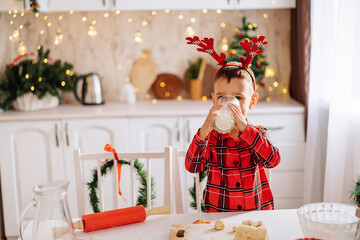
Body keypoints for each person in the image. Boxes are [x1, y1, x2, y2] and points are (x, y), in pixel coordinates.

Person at [185, 35, 281, 212]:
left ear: (252, 102)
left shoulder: (259, 133)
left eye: (238, 98)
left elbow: (273, 160)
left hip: (255, 215)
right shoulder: (211, 137)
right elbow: (192, 166)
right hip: (218, 216)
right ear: (214, 100)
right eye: (222, 97)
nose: (229, 103)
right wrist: (204, 131)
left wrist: (246, 130)